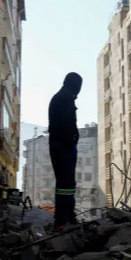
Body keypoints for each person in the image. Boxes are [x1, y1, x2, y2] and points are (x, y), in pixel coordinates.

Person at [48, 72, 82, 229]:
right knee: (66, 184)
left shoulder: (60, 97)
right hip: (63, 145)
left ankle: (65, 216)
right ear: (74, 84)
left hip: (59, 144)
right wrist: (72, 139)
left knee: (66, 184)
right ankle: (64, 219)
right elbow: (66, 122)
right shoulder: (65, 98)